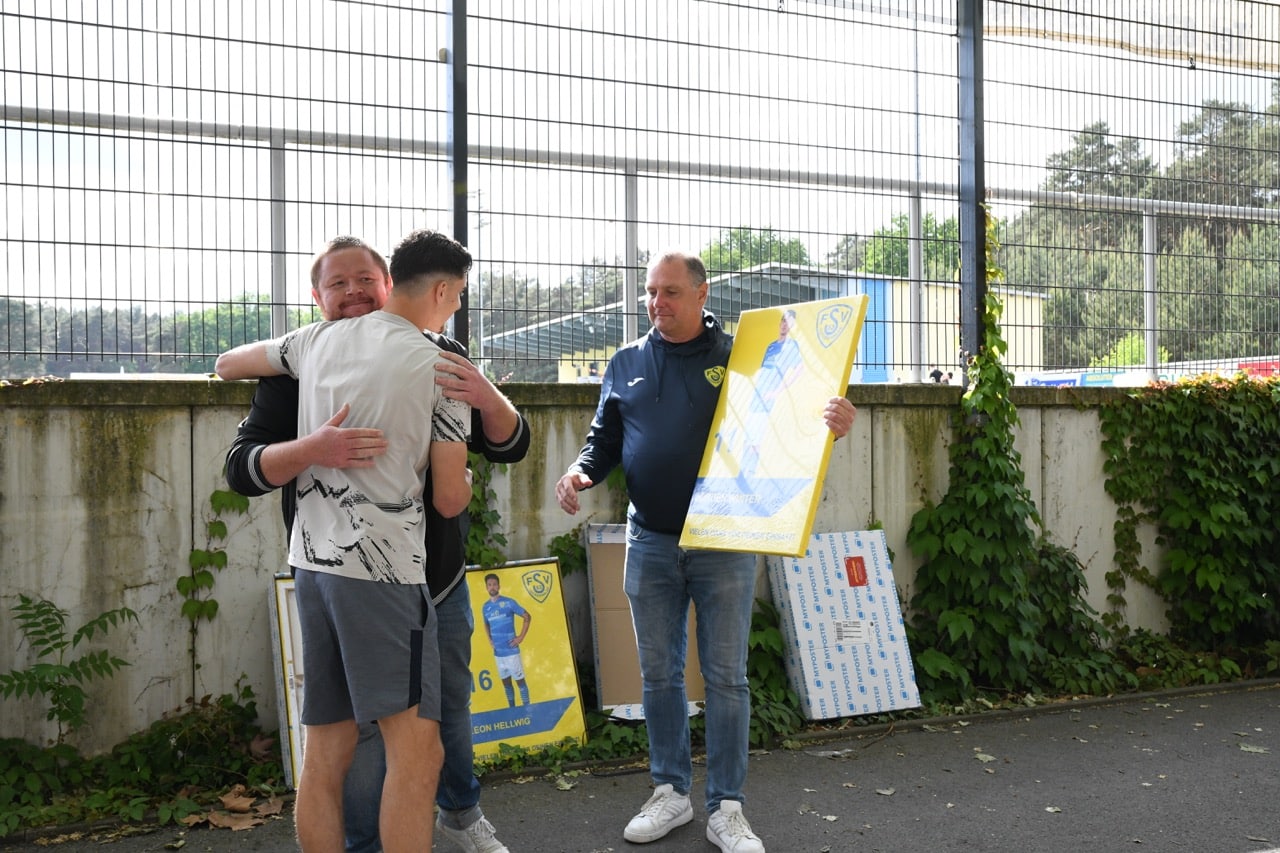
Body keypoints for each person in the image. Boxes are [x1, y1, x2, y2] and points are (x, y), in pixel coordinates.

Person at [223, 234, 527, 853]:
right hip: (387, 579)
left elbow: (228, 361)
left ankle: (459, 820)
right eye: (339, 285)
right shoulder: (432, 364)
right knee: (417, 751)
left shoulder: (310, 345)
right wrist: (312, 450)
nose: (354, 292)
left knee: (329, 746)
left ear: (391, 282)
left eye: (366, 279)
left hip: (317, 572)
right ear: (442, 291)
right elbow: (448, 498)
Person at [554, 251, 856, 853]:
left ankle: (727, 808)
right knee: (659, 676)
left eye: (669, 292)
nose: (656, 304)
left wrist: (832, 420)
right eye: (649, 293)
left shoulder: (739, 356)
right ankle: (671, 792)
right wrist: (580, 473)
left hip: (726, 542)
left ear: (701, 293)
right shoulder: (626, 363)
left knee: (725, 678)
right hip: (650, 542)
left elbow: (788, 414)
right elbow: (602, 442)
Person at [481, 573, 533, 707]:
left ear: (499, 586)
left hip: (511, 653)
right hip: (498, 654)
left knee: (520, 682)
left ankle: (527, 709)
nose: (492, 587)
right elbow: (486, 624)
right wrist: (490, 640)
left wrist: (520, 637)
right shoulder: (485, 607)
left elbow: (527, 616)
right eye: (489, 585)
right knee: (506, 684)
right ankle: (512, 709)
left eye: (494, 584)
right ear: (486, 587)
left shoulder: (509, 602)